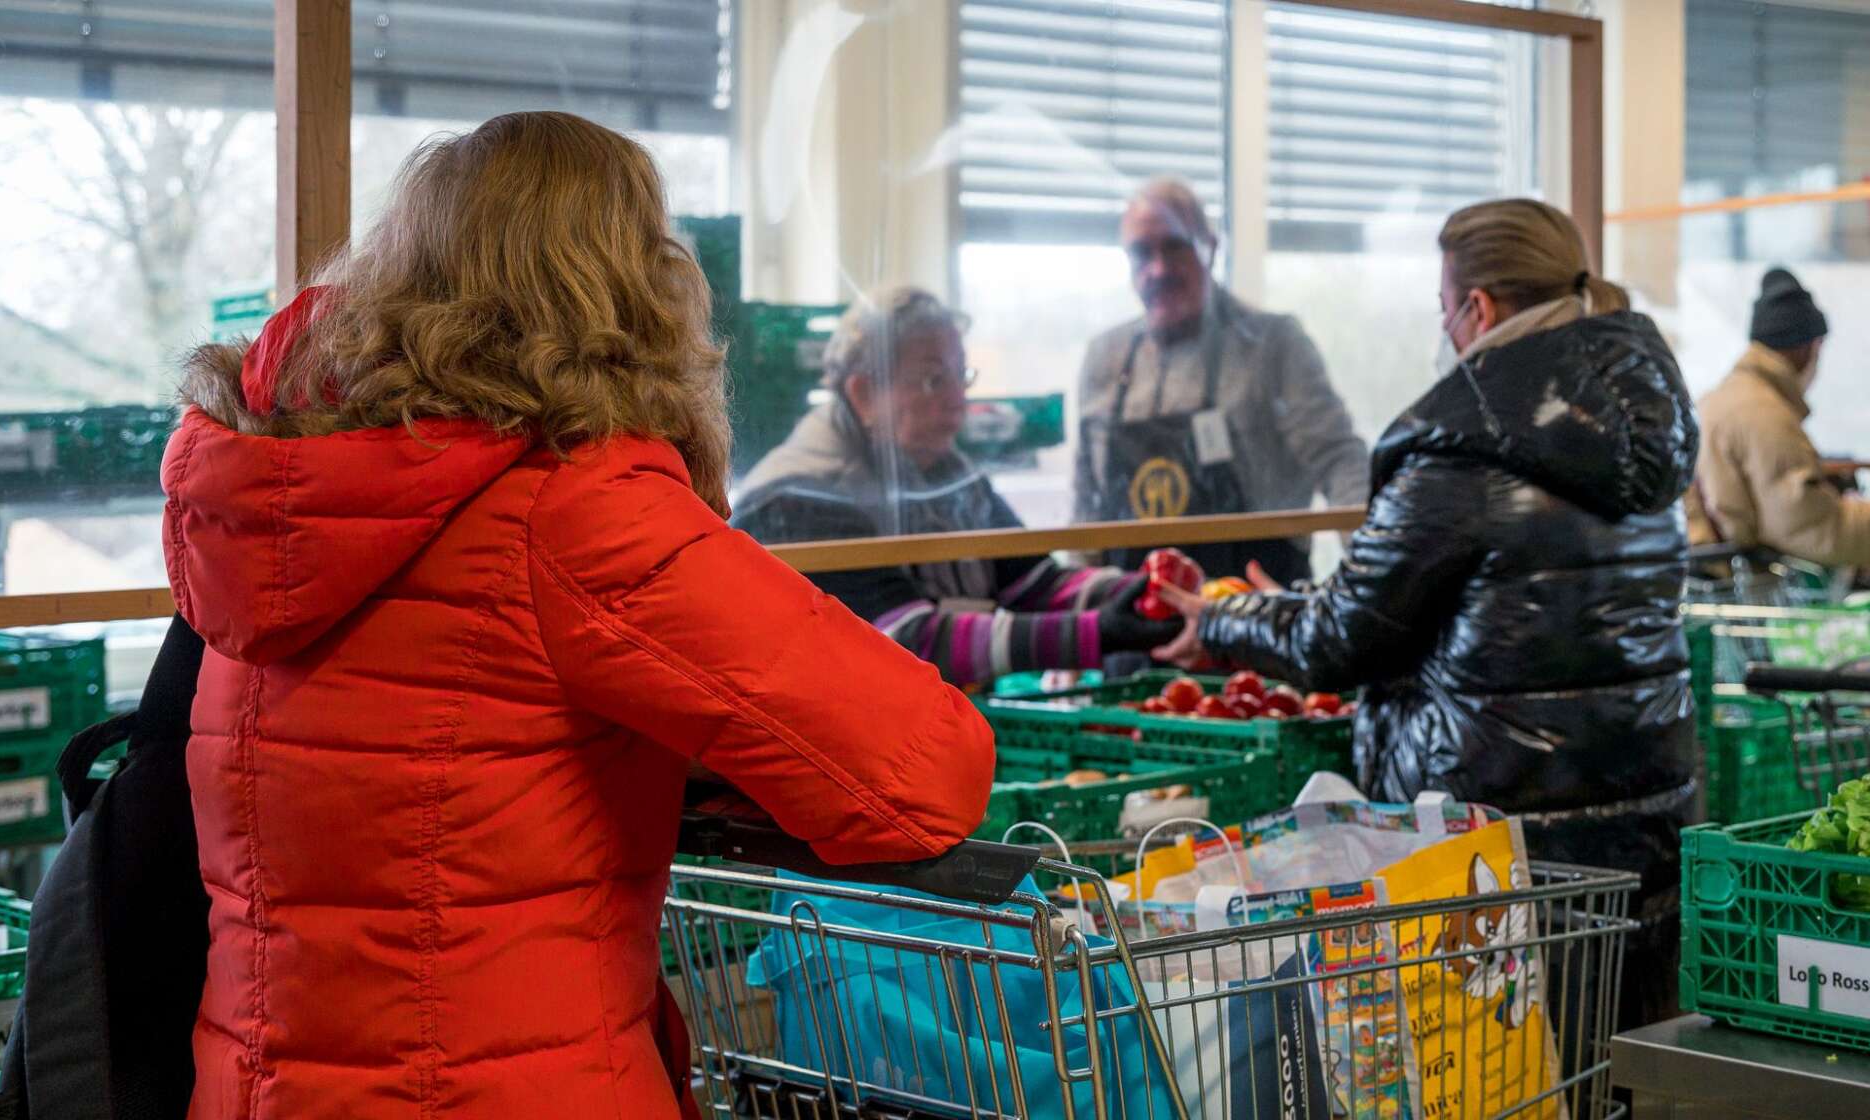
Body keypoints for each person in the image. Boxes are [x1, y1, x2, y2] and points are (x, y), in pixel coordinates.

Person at [162, 113, 994, 1120]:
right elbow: (924, 775)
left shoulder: (277, 498)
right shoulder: (572, 504)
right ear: (628, 283)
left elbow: (440, 737)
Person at [1153, 198, 1698, 1026]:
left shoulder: (1463, 449)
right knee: (1606, 1067)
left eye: (1444, 309)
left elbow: (1344, 637)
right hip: (1645, 820)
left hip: (1499, 846)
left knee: (1509, 1077)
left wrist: (1221, 622)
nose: (1445, 329)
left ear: (1476, 308)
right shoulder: (1645, 440)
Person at [734, 286, 1181, 686]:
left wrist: (1147, 593)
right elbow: (911, 642)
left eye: (960, 375)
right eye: (933, 380)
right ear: (864, 394)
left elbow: (1034, 583)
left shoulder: (945, 473)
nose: (957, 398)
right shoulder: (802, 495)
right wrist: (1096, 632)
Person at [1074, 177, 1369, 585]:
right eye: (1142, 253)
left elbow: (1339, 459)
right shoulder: (1104, 358)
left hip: (1254, 610)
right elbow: (1087, 504)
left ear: (1209, 247)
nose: (1158, 269)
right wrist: (1079, 609)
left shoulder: (1273, 345)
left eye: (1175, 247)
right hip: (1134, 615)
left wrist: (1374, 570)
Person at [1686, 267, 1870, 567]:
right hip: (1739, 581)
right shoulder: (1765, 415)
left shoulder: (1720, 398)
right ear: (1807, 346)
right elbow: (1811, 527)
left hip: (1708, 573)